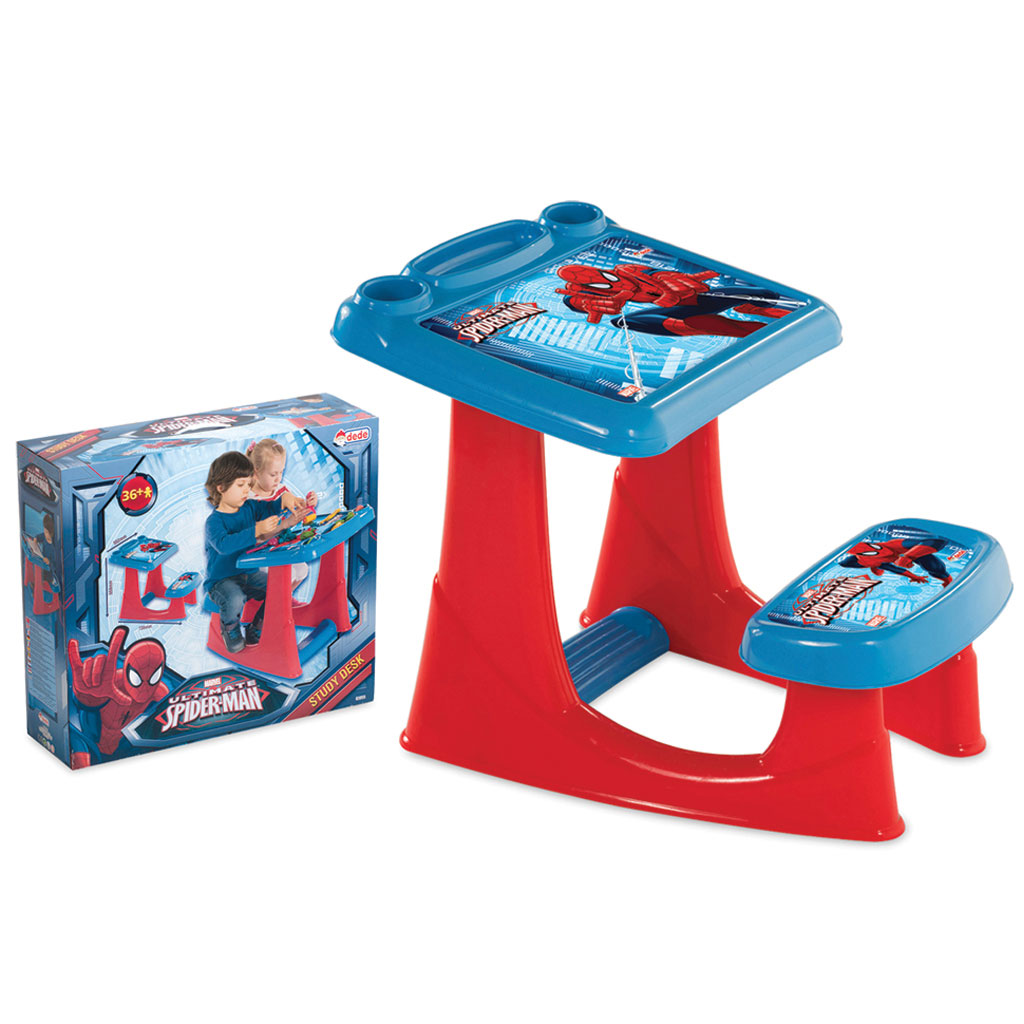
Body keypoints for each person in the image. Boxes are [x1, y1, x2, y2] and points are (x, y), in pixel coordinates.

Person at [203, 451, 301, 653]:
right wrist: (256, 530)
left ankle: (257, 626)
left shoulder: (249, 507)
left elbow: (270, 507)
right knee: (235, 598)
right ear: (221, 488)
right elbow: (224, 545)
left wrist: (287, 499)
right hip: (221, 581)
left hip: (249, 574)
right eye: (241, 485)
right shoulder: (214, 522)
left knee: (280, 591)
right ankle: (230, 628)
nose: (246, 490)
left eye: (248, 485)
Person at [246, 438, 318, 589]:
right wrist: (284, 524)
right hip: (258, 552)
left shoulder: (281, 489)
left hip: (280, 545)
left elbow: (298, 505)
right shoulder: (249, 499)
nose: (278, 478)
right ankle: (276, 600)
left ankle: (285, 599)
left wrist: (309, 502)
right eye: (273, 474)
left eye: (281, 472)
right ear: (256, 472)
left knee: (302, 570)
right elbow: (259, 535)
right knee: (288, 575)